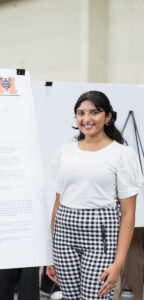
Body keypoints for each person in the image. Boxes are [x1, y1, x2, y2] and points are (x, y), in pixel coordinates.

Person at [46, 91, 144, 300]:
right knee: (69, 297)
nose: (86, 119)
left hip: (101, 235)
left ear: (108, 116)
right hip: (64, 233)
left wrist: (118, 263)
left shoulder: (122, 155)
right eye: (80, 113)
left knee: (95, 298)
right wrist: (50, 253)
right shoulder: (65, 151)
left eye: (94, 112)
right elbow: (57, 205)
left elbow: (128, 215)